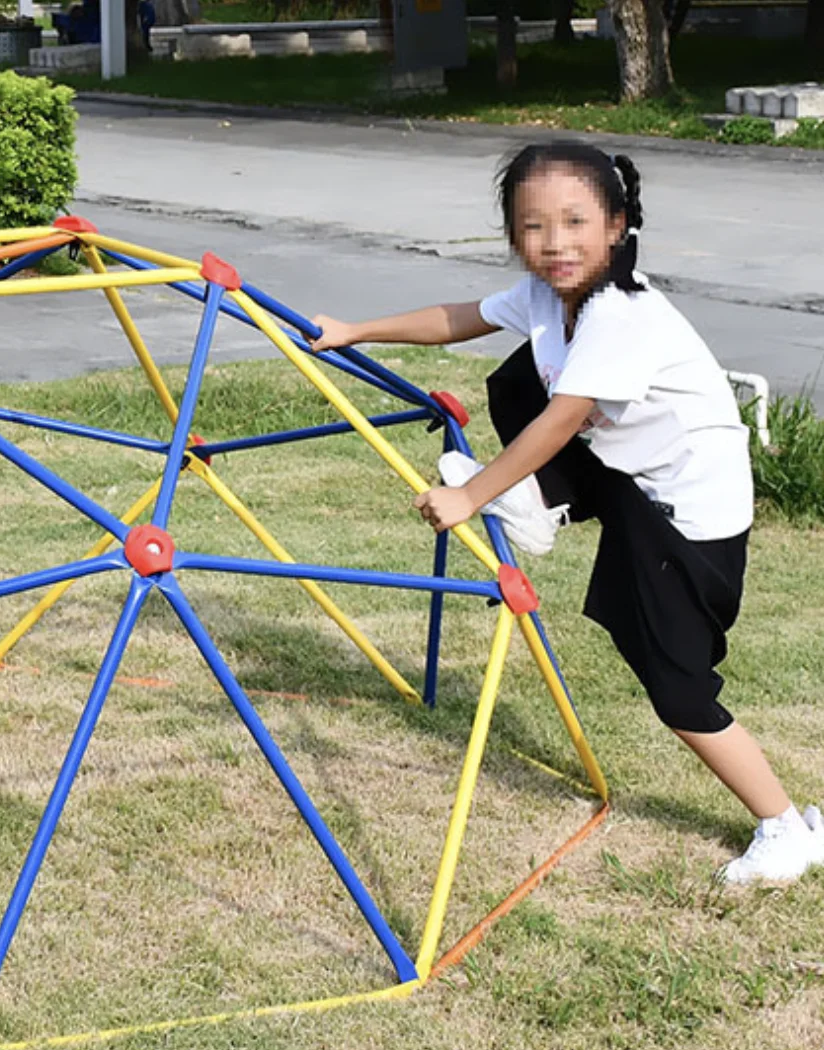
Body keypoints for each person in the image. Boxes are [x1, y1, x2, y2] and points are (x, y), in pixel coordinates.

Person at [305, 141, 823, 885]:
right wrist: (356, 330)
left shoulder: (621, 315)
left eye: (576, 222)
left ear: (616, 226)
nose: (555, 243)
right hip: (631, 478)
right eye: (533, 226)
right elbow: (460, 317)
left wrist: (472, 492)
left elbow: (563, 420)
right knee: (520, 373)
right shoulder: (552, 298)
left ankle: (784, 827)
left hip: (687, 515)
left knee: (678, 689)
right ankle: (541, 505)